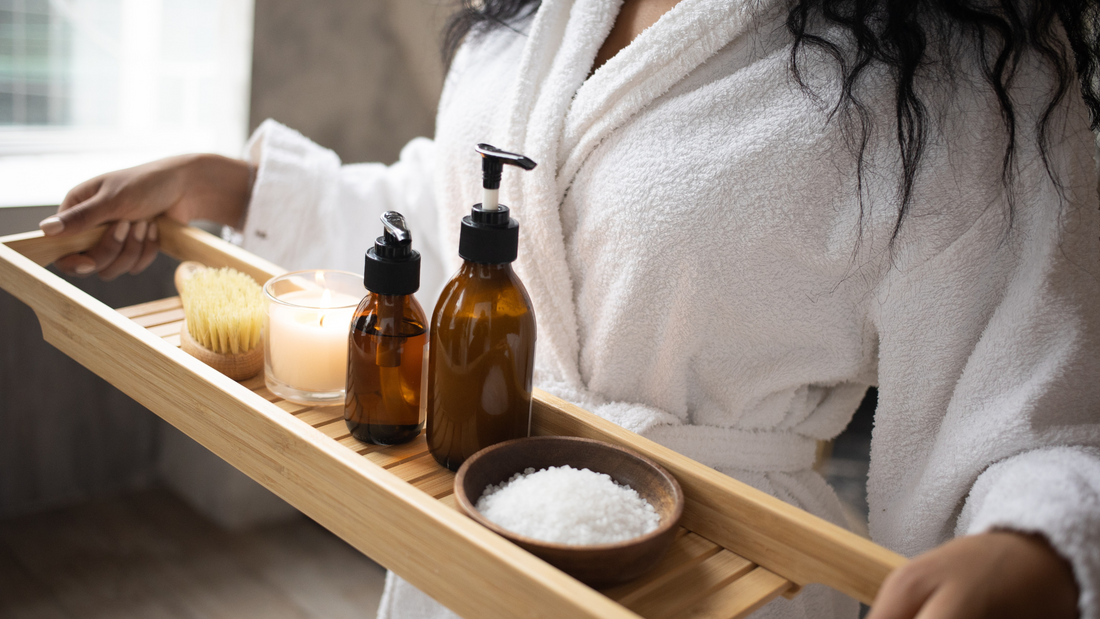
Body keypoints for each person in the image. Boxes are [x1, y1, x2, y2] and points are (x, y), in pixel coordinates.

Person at [38, 0, 1100, 617]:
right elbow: (475, 225)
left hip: (717, 575)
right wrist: (234, 187)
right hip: (467, 532)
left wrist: (1040, 545)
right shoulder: (537, 12)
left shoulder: (956, 74)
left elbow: (1037, 404)